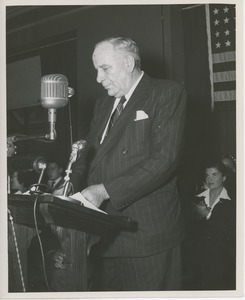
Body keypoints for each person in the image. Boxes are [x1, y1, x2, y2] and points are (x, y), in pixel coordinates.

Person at [72, 37, 186, 291]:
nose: (99, 79)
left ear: (128, 62)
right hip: (105, 235)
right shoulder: (102, 105)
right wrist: (68, 185)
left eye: (105, 69)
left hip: (146, 236)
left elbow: (164, 160)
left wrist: (103, 190)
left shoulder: (166, 92)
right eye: (96, 70)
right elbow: (88, 154)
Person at [187, 160, 236, 290]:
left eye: (215, 175)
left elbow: (232, 232)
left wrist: (207, 215)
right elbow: (190, 231)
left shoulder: (233, 201)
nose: (210, 179)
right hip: (196, 263)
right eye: (207, 175)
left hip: (222, 263)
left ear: (224, 177)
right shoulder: (196, 199)